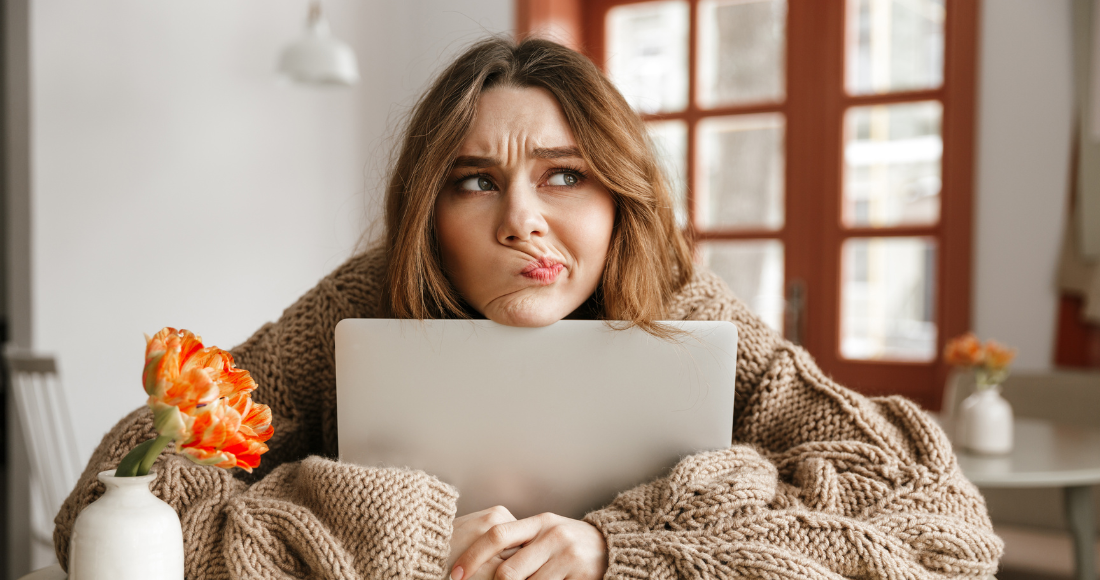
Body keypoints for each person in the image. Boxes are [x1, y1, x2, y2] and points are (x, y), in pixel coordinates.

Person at [54, 37, 1002, 580]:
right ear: (431, 209)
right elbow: (111, 508)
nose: (523, 222)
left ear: (617, 198)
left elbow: (944, 529)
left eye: (564, 176)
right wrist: (411, 540)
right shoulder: (367, 297)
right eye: (475, 181)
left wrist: (613, 551)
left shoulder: (671, 296)